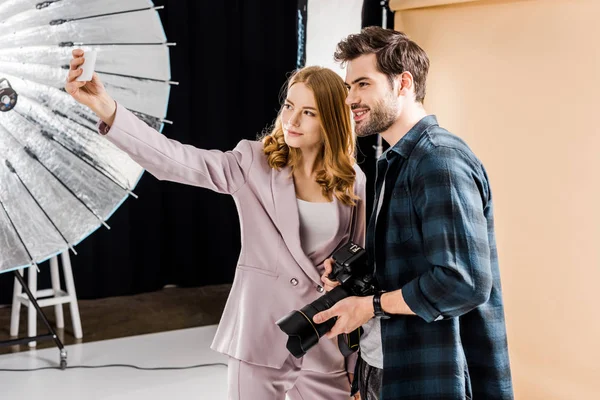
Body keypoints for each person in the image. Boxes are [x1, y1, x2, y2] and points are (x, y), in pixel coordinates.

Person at [65, 49, 366, 400]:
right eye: (289, 106)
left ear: (330, 119)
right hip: (261, 334)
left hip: (324, 338)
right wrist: (105, 106)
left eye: (308, 112)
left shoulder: (352, 181)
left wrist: (354, 364)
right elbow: (173, 160)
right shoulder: (253, 162)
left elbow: (357, 274)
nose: (292, 120)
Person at [313, 27, 514, 399]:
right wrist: (356, 272)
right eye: (348, 88)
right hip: (387, 365)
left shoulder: (439, 161)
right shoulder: (396, 161)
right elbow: (410, 263)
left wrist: (369, 306)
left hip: (431, 375)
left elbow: (464, 283)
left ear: (403, 83)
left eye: (362, 85)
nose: (350, 99)